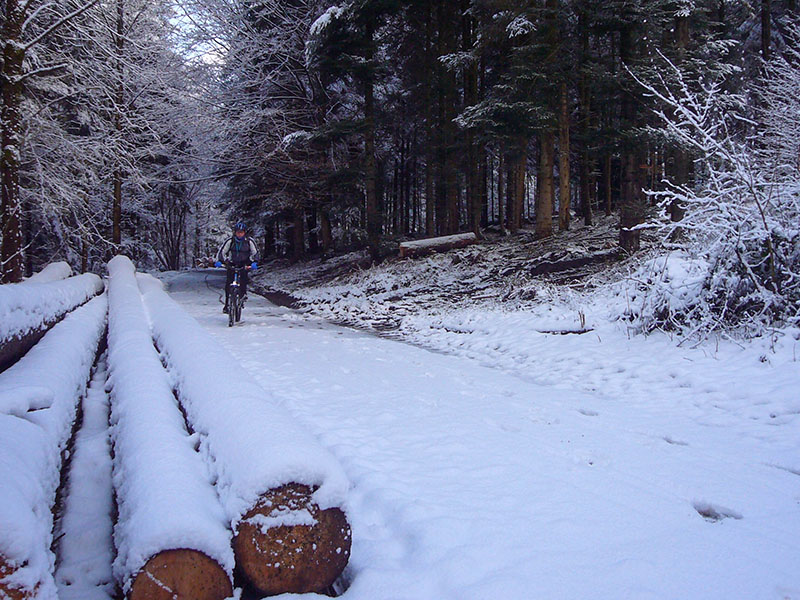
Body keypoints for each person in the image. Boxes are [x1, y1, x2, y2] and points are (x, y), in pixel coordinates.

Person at [215, 222, 258, 313]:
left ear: (244, 232)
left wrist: (255, 262)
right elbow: (222, 252)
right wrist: (220, 261)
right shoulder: (230, 241)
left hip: (244, 263)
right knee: (228, 284)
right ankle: (227, 304)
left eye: (241, 232)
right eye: (238, 232)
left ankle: (242, 296)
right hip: (232, 263)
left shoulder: (249, 241)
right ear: (235, 232)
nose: (239, 234)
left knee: (243, 280)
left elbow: (255, 253)